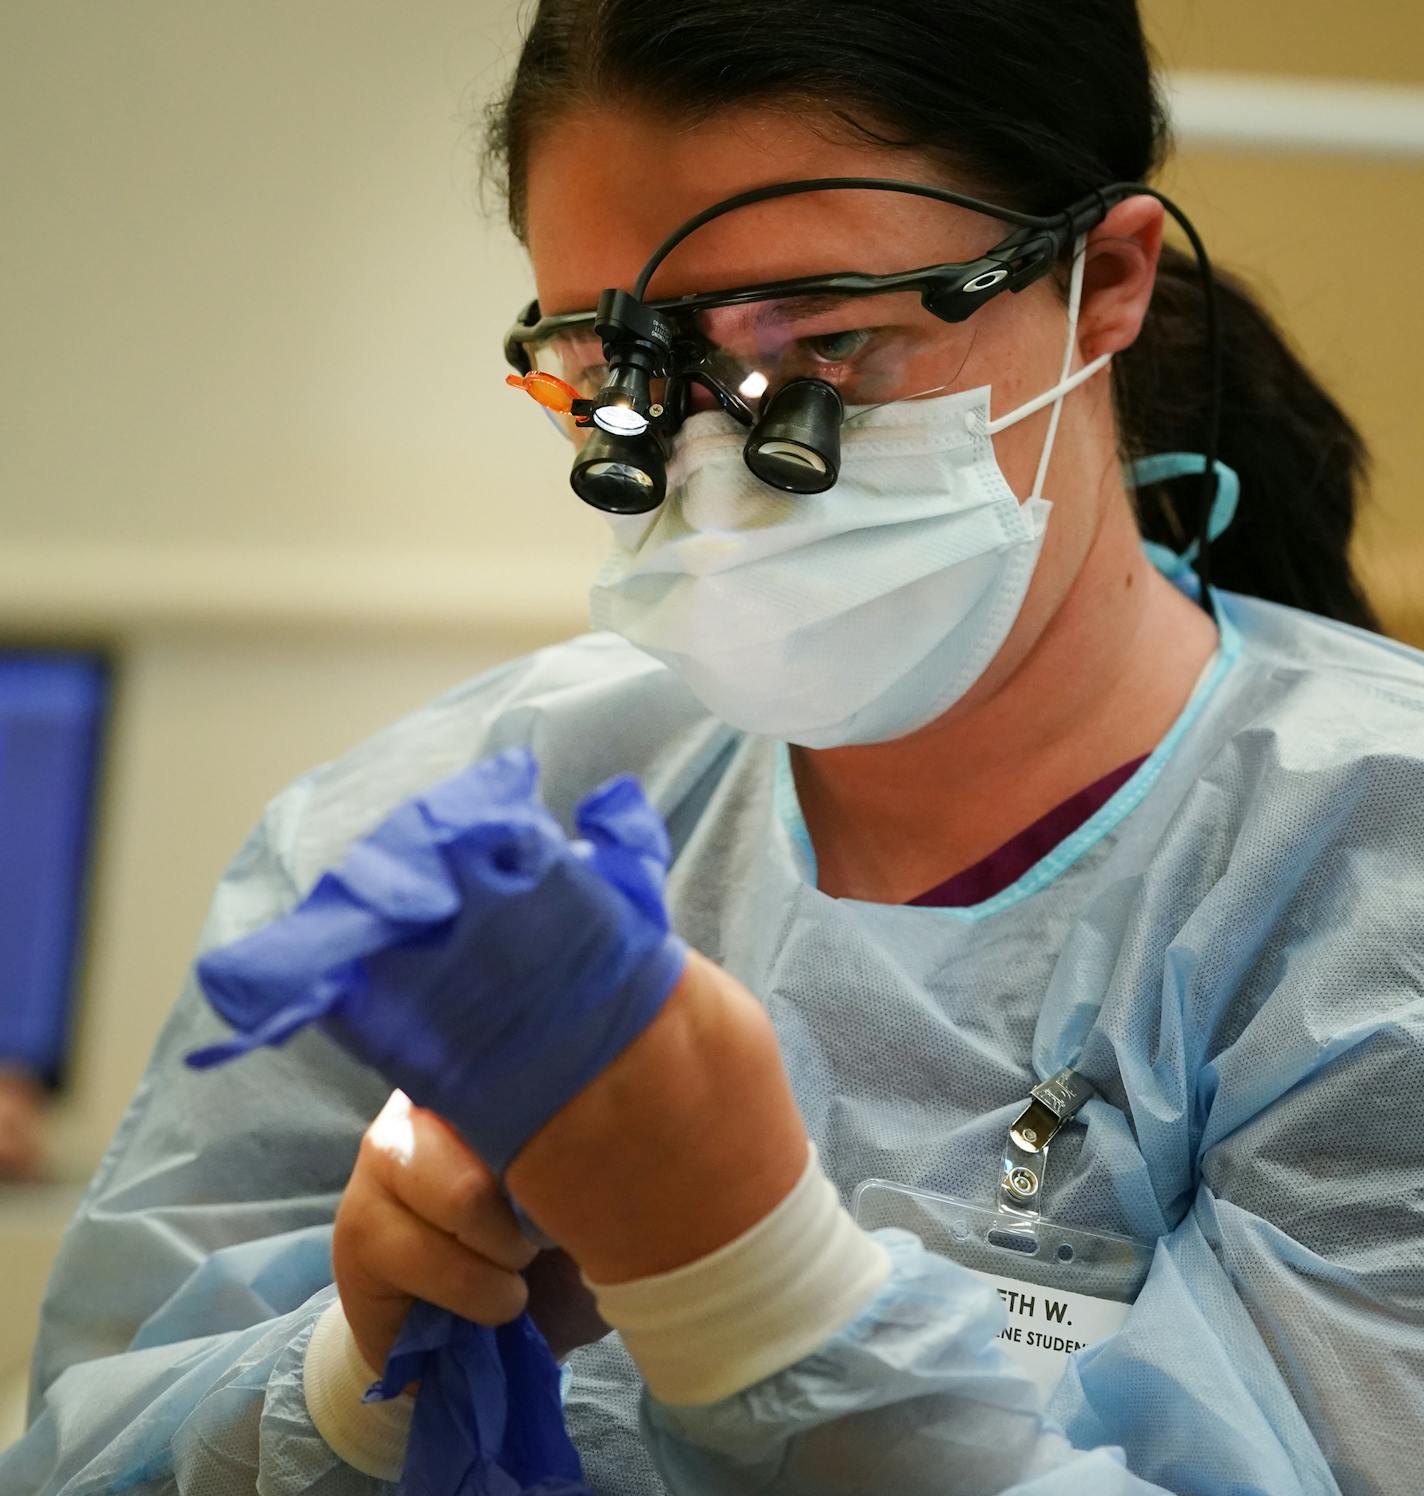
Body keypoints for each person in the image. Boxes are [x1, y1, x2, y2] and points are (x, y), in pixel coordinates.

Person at [6, 1, 1423, 1492]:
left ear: (1107, 280)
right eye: (622, 379)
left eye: (826, 346)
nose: (718, 473)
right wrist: (358, 1380)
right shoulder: (438, 830)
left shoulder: (1369, 876)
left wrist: (749, 1286)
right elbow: (89, 1448)